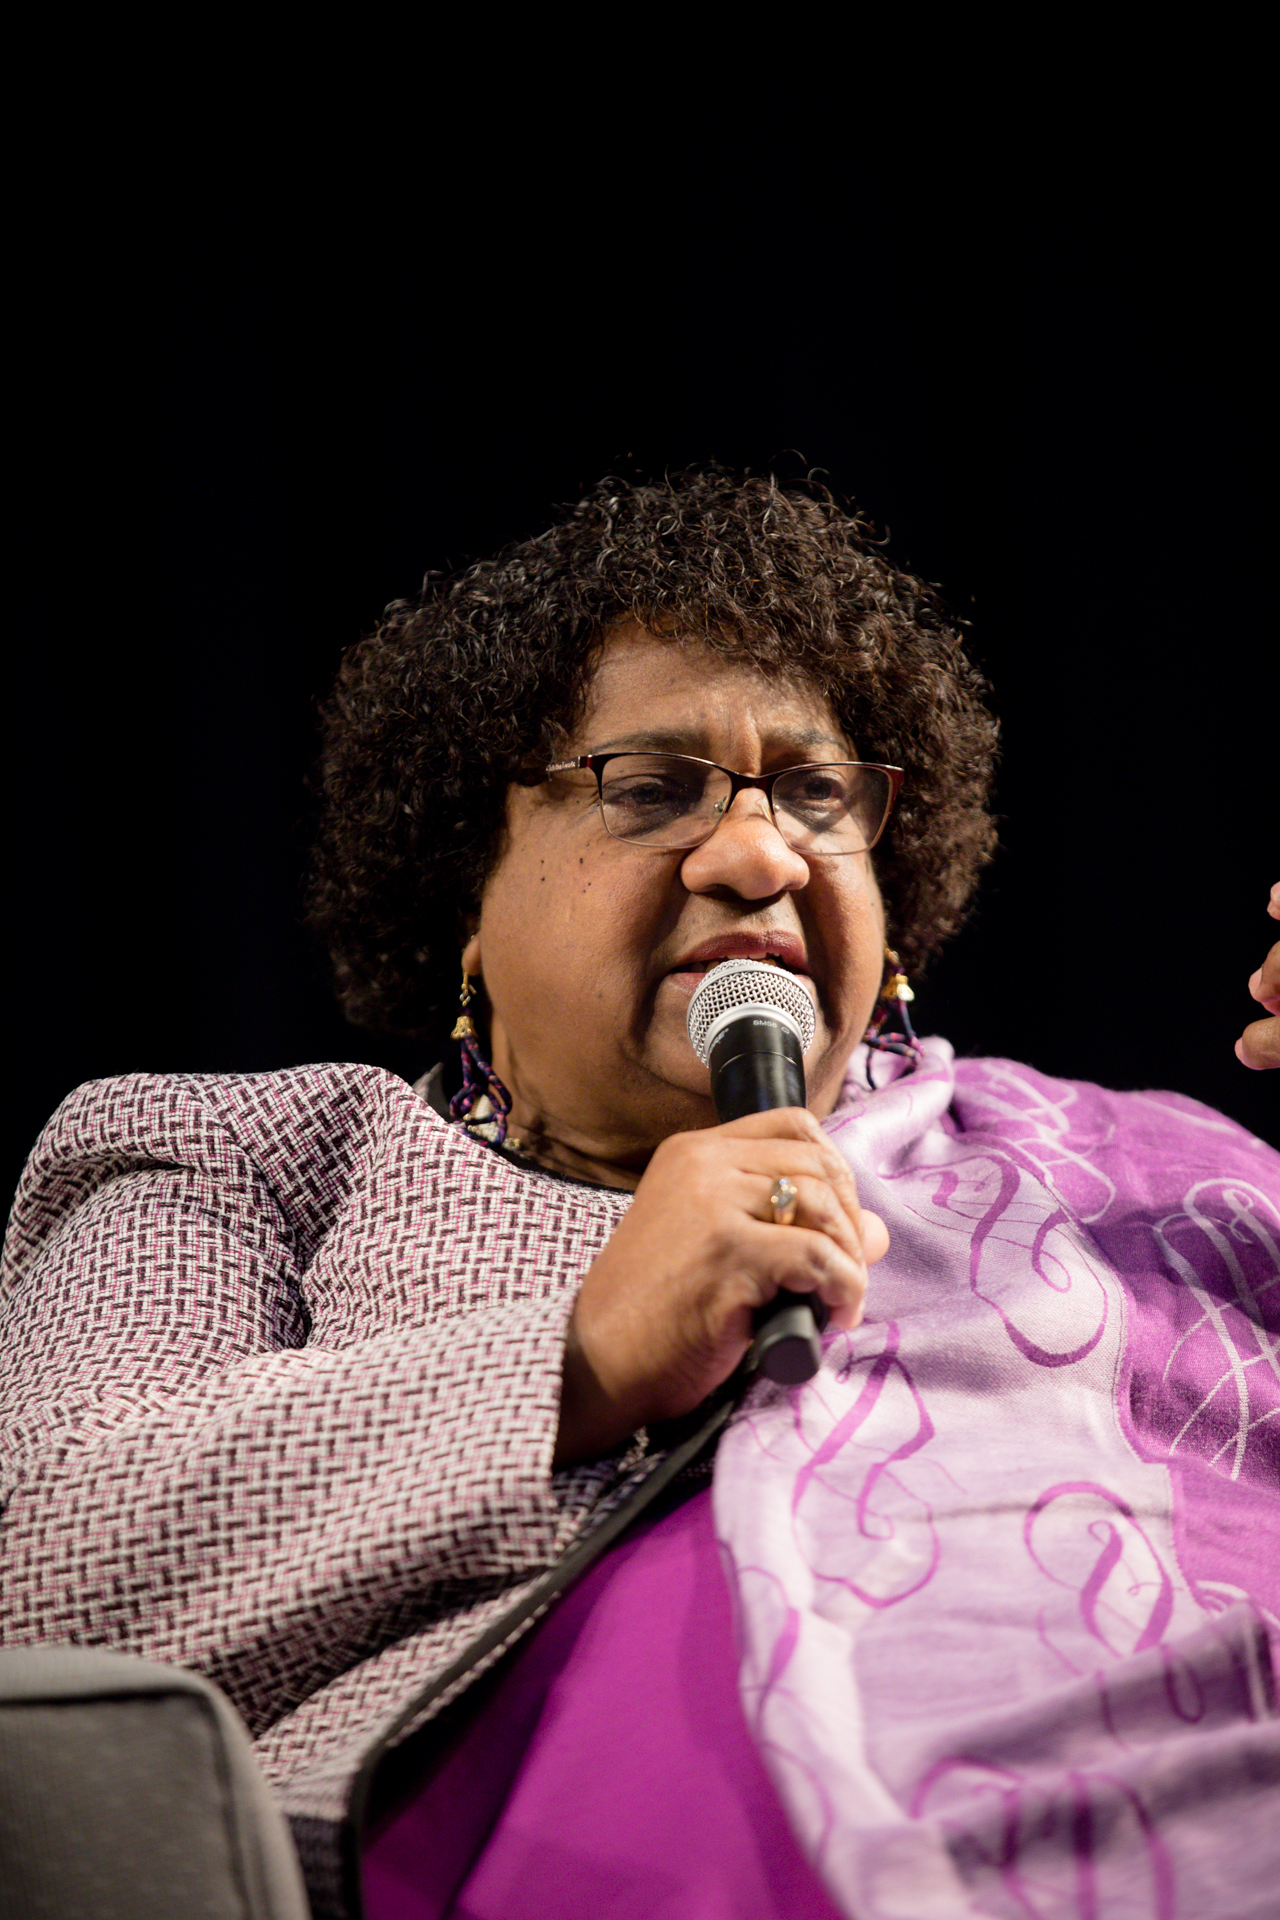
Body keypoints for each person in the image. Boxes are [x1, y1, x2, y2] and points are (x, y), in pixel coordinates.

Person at [2, 468, 1277, 1920]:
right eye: (652, 789)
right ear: (461, 900)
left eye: (814, 792)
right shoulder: (259, 1162)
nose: (757, 853)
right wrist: (580, 1361)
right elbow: (41, 1560)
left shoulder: (1142, 1173)